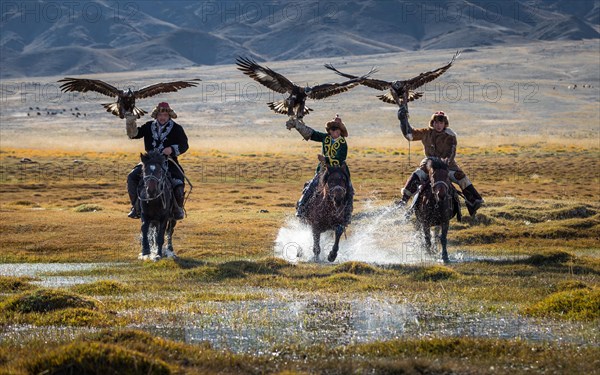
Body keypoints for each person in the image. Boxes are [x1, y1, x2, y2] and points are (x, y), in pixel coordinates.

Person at [397, 105, 483, 216]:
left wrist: (446, 161)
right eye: (436, 122)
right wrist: (403, 121)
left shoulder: (450, 136)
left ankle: (474, 202)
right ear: (432, 123)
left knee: (461, 177)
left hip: (447, 165)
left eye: (441, 123)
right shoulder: (426, 132)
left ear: (445, 124)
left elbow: (451, 153)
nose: (438, 125)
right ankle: (403, 200)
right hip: (429, 164)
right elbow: (410, 135)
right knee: (418, 174)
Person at [125, 102, 188, 220]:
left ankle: (177, 209)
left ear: (169, 115)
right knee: (132, 177)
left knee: (178, 182)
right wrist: (130, 122)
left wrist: (172, 149)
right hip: (149, 162)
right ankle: (136, 207)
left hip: (169, 162)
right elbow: (134, 134)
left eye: (165, 115)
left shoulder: (177, 128)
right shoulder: (148, 126)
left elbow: (184, 145)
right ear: (156, 115)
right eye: (160, 115)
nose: (162, 117)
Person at [286, 114, 354, 223]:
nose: (336, 132)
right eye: (333, 129)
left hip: (340, 170)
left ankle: (347, 214)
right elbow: (312, 134)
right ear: (330, 131)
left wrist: (325, 159)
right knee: (312, 185)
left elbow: (341, 158)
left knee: (350, 190)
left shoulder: (343, 143)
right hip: (324, 170)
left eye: (338, 130)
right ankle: (301, 207)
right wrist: (298, 126)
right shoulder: (325, 138)